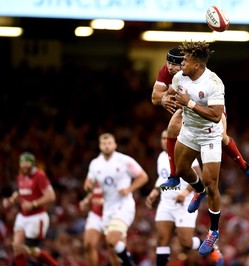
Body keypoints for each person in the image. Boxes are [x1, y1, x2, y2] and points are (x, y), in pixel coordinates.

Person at [151, 46, 249, 190]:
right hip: (188, 109)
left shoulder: (199, 74)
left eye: (174, 64)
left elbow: (212, 108)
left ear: (184, 64)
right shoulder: (169, 71)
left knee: (221, 136)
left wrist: (182, 101)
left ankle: (244, 166)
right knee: (171, 129)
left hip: (208, 107)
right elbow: (155, 97)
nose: (170, 67)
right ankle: (174, 177)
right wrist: (163, 99)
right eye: (168, 63)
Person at [156, 40, 226, 256]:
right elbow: (168, 97)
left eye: (185, 60)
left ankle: (213, 231)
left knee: (212, 184)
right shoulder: (178, 78)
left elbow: (216, 116)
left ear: (196, 64)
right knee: (182, 170)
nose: (180, 64)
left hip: (209, 135)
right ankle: (198, 190)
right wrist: (166, 100)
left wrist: (189, 104)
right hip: (189, 132)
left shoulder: (214, 82)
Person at [145, 129, 223, 266]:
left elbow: (199, 178)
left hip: (184, 203)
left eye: (166, 138)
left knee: (186, 243)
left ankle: (211, 248)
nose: (164, 141)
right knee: (162, 239)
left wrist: (185, 193)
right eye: (162, 138)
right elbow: (163, 177)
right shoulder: (162, 157)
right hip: (166, 203)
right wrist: (155, 191)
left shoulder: (184, 154)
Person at [83, 133, 149, 266]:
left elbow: (143, 176)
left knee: (111, 240)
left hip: (123, 205)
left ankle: (129, 263)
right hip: (108, 208)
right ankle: (126, 261)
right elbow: (88, 184)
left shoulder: (124, 160)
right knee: (113, 252)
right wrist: (88, 188)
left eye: (109, 143)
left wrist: (129, 189)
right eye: (104, 144)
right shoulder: (95, 164)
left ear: (115, 145)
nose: (107, 146)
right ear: (100, 146)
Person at [2, 152, 58, 266]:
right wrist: (11, 201)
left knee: (29, 250)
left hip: (37, 217)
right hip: (23, 216)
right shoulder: (21, 175)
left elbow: (51, 196)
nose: (24, 167)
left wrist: (33, 204)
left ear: (32, 164)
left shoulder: (39, 176)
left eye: (27, 164)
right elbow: (20, 191)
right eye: (22, 164)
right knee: (17, 247)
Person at [79, 183, 119, 266]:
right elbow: (94, 190)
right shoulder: (96, 172)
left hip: (112, 216)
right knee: (88, 245)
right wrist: (86, 200)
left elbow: (124, 194)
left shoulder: (118, 173)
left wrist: (104, 201)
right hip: (96, 215)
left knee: (114, 252)